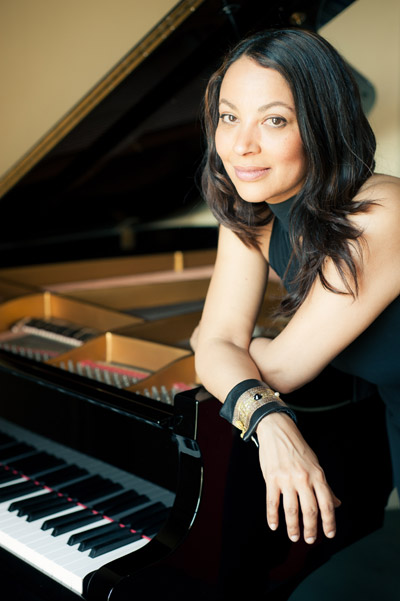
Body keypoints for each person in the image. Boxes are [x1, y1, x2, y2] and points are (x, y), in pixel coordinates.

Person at [192, 27, 400, 548]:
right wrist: (270, 422)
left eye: (275, 120)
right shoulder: (251, 208)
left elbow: (280, 367)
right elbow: (211, 340)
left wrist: (245, 354)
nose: (241, 145)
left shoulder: (381, 215)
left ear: (321, 124)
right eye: (229, 117)